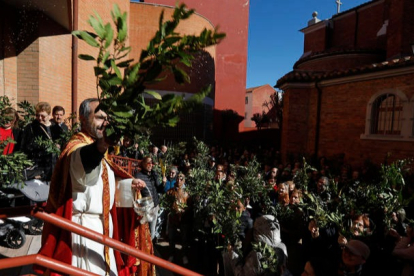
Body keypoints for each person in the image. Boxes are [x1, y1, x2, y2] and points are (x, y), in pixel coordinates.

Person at [36, 98, 149, 276]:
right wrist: (102, 144)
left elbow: (101, 187)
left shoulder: (101, 152)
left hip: (103, 231)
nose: (105, 123)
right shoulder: (77, 148)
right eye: (99, 117)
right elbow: (85, 167)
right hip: (84, 233)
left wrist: (127, 186)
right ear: (82, 117)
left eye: (107, 119)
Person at [21, 102, 58, 181]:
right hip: (39, 167)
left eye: (43, 116)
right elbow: (24, 147)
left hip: (56, 167)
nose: (40, 118)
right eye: (37, 115)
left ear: (49, 115)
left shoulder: (56, 128)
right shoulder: (31, 128)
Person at [134, 156, 163, 240]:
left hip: (155, 206)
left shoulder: (154, 175)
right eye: (148, 163)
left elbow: (159, 189)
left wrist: (163, 184)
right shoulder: (138, 175)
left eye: (152, 163)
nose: (150, 165)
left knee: (152, 232)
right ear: (143, 164)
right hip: (145, 208)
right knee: (143, 231)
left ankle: (150, 250)